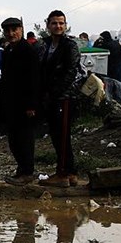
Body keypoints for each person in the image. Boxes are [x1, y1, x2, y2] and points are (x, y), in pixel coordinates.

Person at [38, 10, 80, 188]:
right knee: (58, 135)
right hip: (51, 96)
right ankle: (70, 172)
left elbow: (71, 71)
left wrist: (56, 92)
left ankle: (63, 174)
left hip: (64, 97)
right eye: (55, 23)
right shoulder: (46, 45)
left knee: (62, 135)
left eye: (61, 23)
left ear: (65, 25)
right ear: (48, 25)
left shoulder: (69, 46)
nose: (58, 26)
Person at [0, 17, 40, 186]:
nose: (11, 34)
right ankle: (22, 169)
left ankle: (27, 171)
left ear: (21, 30)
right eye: (7, 31)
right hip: (11, 103)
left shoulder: (27, 50)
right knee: (14, 139)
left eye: (14, 30)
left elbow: (34, 78)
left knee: (24, 139)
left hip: (24, 104)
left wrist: (31, 104)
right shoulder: (8, 51)